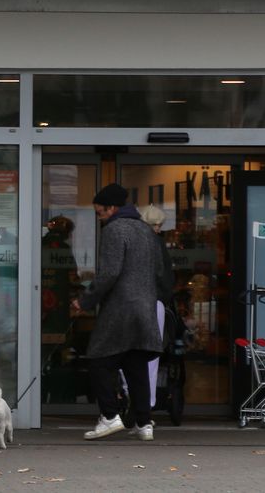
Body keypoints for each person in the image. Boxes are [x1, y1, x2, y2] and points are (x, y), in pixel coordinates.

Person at [71, 183, 163, 442]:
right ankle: (144, 422)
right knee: (135, 365)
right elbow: (156, 270)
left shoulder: (115, 230)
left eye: (100, 212)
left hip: (121, 308)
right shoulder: (146, 231)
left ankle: (110, 416)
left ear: (112, 209)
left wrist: (85, 301)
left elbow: (110, 273)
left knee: (98, 360)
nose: (99, 217)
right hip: (145, 306)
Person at [137, 204, 176, 416]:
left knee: (129, 353)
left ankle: (132, 397)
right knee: (152, 355)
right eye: (158, 225)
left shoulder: (133, 242)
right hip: (154, 302)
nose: (159, 229)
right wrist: (163, 297)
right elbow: (165, 277)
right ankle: (147, 403)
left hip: (133, 303)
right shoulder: (157, 245)